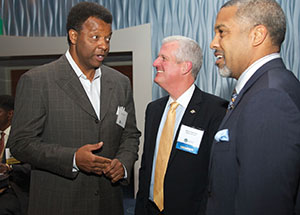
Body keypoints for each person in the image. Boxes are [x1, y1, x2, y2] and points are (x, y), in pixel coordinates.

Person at [7, 2, 140, 215]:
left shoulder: (120, 83)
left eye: (108, 38)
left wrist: (123, 164)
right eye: (95, 37)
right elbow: (21, 144)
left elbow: (130, 134)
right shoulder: (38, 81)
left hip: (109, 205)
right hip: (59, 205)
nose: (104, 45)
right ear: (73, 36)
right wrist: (74, 159)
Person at [207, 0, 300, 215]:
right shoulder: (262, 87)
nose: (213, 43)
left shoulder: (270, 97)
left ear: (257, 35)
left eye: (222, 32)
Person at [135, 35, 228, 215]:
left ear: (185, 67)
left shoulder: (216, 111)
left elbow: (217, 178)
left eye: (163, 58)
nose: (155, 63)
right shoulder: (153, 109)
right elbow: (146, 167)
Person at [0, 95, 31, 215]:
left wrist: (9, 168)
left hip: (14, 190)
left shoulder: (21, 138)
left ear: (10, 114)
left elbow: (31, 168)